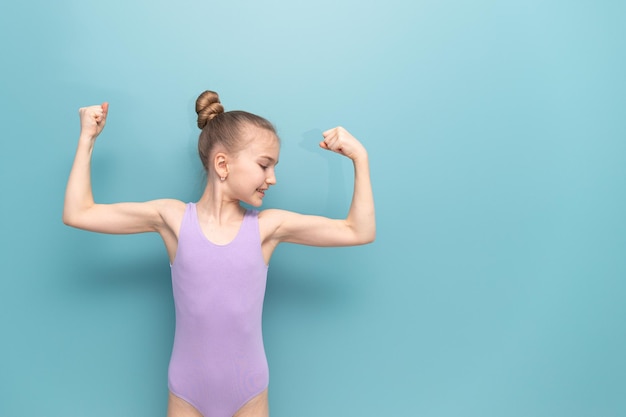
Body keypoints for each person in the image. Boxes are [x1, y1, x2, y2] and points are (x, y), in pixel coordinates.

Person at [63, 90, 376, 417]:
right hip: (186, 390)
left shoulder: (268, 228)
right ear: (222, 164)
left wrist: (360, 158)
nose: (273, 178)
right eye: (264, 165)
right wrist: (87, 138)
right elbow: (78, 212)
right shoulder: (172, 220)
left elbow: (358, 230)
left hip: (249, 391)